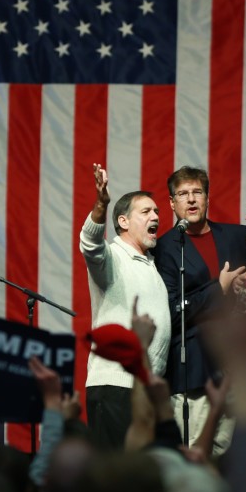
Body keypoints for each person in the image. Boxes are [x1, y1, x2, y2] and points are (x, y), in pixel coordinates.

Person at [154, 167, 246, 454]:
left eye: (197, 192)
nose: (191, 200)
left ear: (207, 198)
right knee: (194, 459)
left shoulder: (239, 237)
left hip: (238, 370)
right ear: (171, 203)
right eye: (183, 194)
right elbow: (171, 314)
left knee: (231, 461)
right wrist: (220, 288)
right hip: (194, 373)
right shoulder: (163, 249)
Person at [80, 163, 170, 451]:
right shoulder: (113, 257)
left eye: (157, 212)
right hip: (114, 386)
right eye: (146, 212)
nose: (155, 216)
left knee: (140, 475)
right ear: (123, 221)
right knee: (115, 475)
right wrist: (100, 204)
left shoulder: (152, 265)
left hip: (144, 388)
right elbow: (90, 245)